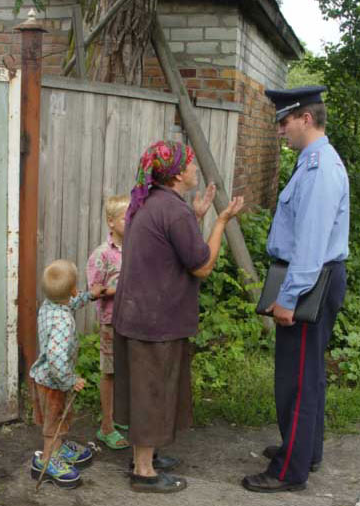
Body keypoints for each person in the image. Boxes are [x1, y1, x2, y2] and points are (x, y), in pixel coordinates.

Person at [112, 140, 244, 493]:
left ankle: (144, 458)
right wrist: (221, 221)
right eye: (190, 163)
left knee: (144, 389)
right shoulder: (172, 210)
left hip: (137, 314)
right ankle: (144, 472)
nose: (194, 168)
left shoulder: (146, 201)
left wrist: (196, 217)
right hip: (155, 320)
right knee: (152, 392)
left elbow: (170, 246)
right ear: (175, 175)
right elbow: (201, 265)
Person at [242, 86, 350, 493]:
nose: (279, 130)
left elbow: (311, 242)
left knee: (298, 380)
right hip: (312, 278)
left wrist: (288, 297)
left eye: (284, 121)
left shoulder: (319, 169)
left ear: (306, 118)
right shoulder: (312, 163)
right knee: (309, 374)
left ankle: (289, 470)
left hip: (309, 281)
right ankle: (305, 451)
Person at [30, 259, 104, 489]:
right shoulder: (62, 321)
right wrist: (70, 380)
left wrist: (90, 296)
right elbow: (56, 358)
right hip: (54, 383)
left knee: (56, 421)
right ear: (72, 289)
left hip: (45, 378)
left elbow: (70, 303)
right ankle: (46, 462)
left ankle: (58, 449)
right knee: (53, 426)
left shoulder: (50, 305)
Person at [87, 195, 130, 450]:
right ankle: (106, 427)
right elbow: (94, 291)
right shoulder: (102, 255)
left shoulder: (136, 249)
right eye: (126, 217)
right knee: (110, 373)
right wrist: (120, 288)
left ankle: (120, 418)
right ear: (111, 222)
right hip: (111, 322)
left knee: (128, 371)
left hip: (134, 320)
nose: (131, 221)